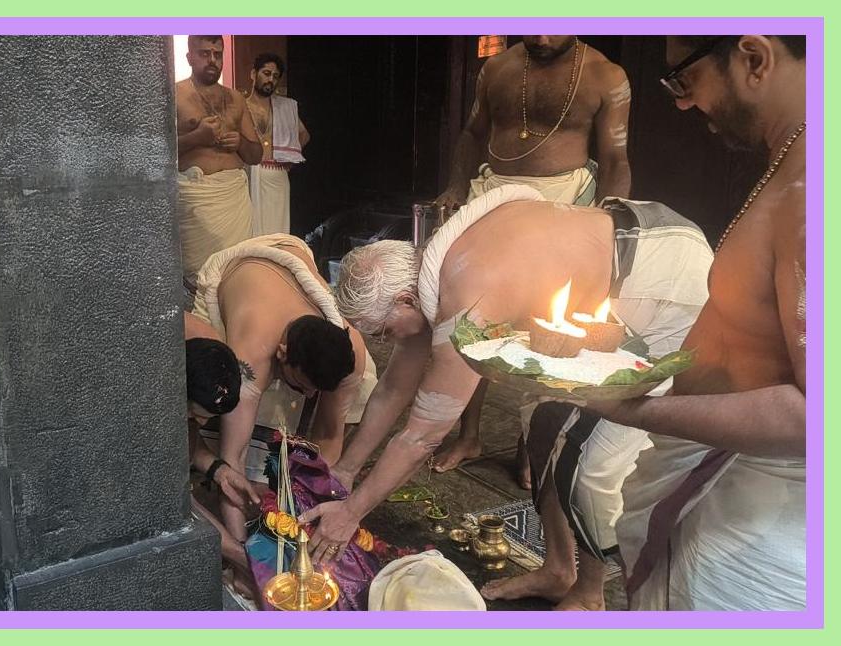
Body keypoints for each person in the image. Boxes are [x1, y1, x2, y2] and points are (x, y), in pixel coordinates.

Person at [304, 185, 711, 612]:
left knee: (588, 461)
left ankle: (590, 594)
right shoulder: (429, 274)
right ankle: (559, 570)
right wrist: (345, 472)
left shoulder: (468, 295)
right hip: (622, 264)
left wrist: (350, 514)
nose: (387, 342)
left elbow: (423, 436)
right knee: (541, 422)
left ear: (405, 300)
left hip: (664, 280)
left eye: (385, 331)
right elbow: (392, 389)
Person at [585, 35, 807, 610]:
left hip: (759, 528)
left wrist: (633, 410)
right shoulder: (793, 159)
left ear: (753, 58)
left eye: (683, 77)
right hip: (725, 485)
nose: (682, 101)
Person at [432, 36, 633, 482]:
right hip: (494, 198)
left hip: (563, 203)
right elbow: (472, 133)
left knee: (547, 326)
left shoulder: (605, 76)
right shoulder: (496, 69)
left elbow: (615, 157)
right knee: (473, 320)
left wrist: (607, 218)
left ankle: (529, 446)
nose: (541, 37)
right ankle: (469, 434)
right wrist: (456, 185)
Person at [190, 233, 376, 541]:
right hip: (238, 270)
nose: (311, 396)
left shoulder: (350, 350)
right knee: (223, 401)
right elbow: (232, 462)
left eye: (316, 389)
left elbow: (330, 435)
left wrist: (308, 501)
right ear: (282, 353)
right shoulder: (250, 358)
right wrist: (244, 550)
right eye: (302, 385)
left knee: (362, 382)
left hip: (292, 255)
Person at [183, 314, 260, 597]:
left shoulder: (210, 358)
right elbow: (178, 505)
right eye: (195, 414)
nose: (202, 423)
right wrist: (242, 558)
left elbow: (187, 442)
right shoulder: (149, 411)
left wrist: (220, 471)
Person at [175, 35, 262, 284]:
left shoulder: (236, 99)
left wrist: (241, 143)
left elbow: (256, 155)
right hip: (198, 200)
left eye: (217, 54)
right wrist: (197, 137)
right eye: (204, 54)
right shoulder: (174, 95)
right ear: (189, 58)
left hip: (233, 197)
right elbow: (156, 154)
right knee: (200, 280)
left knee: (236, 273)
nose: (212, 60)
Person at [244, 53, 310, 236]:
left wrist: (291, 156)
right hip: (249, 173)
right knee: (251, 230)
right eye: (266, 73)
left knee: (277, 230)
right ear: (253, 74)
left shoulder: (284, 107)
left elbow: (304, 135)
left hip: (277, 175)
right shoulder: (242, 106)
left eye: (275, 76)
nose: (270, 80)